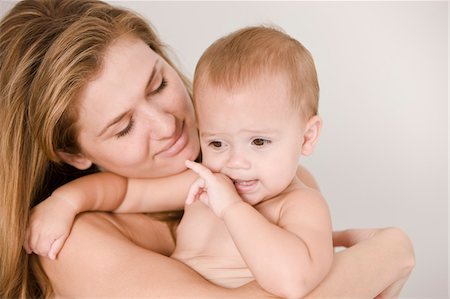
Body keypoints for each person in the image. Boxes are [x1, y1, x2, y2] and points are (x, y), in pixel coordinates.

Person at [0, 0, 415, 298]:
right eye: (123, 127)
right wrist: (388, 253)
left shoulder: (254, 185)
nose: (167, 124)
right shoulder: (72, 243)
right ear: (73, 153)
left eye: (159, 84)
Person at [25, 26, 334, 299]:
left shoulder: (300, 204)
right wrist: (66, 201)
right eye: (216, 143)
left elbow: (294, 284)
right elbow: (127, 191)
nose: (236, 162)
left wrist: (232, 209)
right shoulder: (206, 183)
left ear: (307, 138)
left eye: (259, 142)